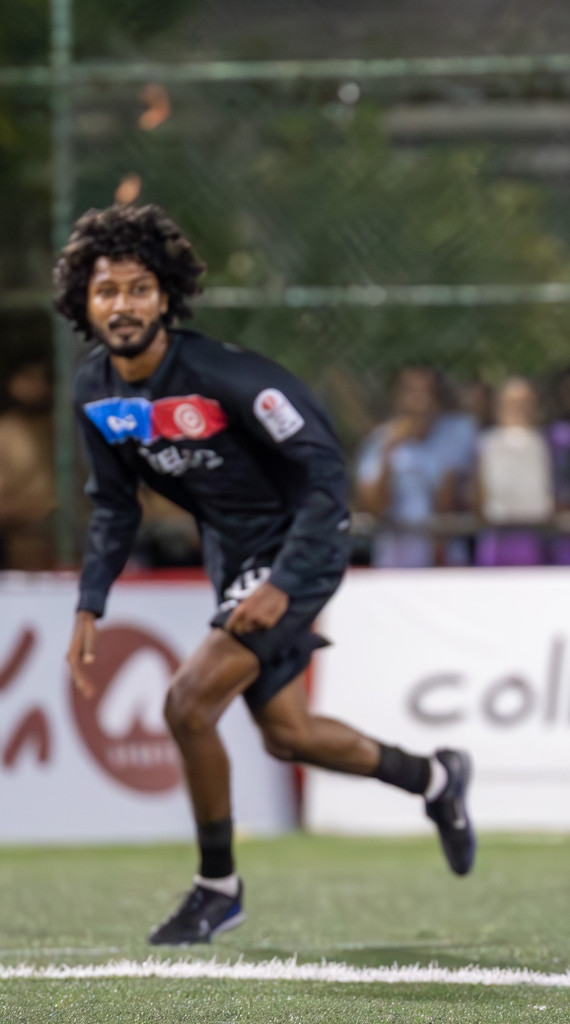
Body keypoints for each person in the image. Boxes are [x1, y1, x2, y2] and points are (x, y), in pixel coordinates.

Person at [54, 205, 475, 946]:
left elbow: (322, 471)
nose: (122, 305)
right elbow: (114, 508)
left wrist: (282, 578)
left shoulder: (226, 374)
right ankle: (436, 779)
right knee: (289, 735)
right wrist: (91, 603)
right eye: (106, 291)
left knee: (187, 706)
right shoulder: (96, 394)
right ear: (83, 304)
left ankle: (217, 888)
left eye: (139, 288)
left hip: (301, 544)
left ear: (166, 298)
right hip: (234, 554)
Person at [354, 366, 478, 568]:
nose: (419, 400)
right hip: (396, 559)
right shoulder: (380, 441)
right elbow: (372, 507)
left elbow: (469, 500)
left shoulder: (461, 433)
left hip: (448, 559)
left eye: (425, 391)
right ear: (397, 397)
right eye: (410, 391)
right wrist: (388, 453)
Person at [475, 376, 554, 566]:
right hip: (496, 536)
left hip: (533, 536)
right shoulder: (487, 443)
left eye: (525, 403)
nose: (519, 409)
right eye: (512, 403)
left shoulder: (546, 443)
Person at [0, 360, 57, 570]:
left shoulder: (68, 427)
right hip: (25, 546)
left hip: (81, 544)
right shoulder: (6, 431)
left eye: (41, 379)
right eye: (27, 378)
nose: (35, 386)